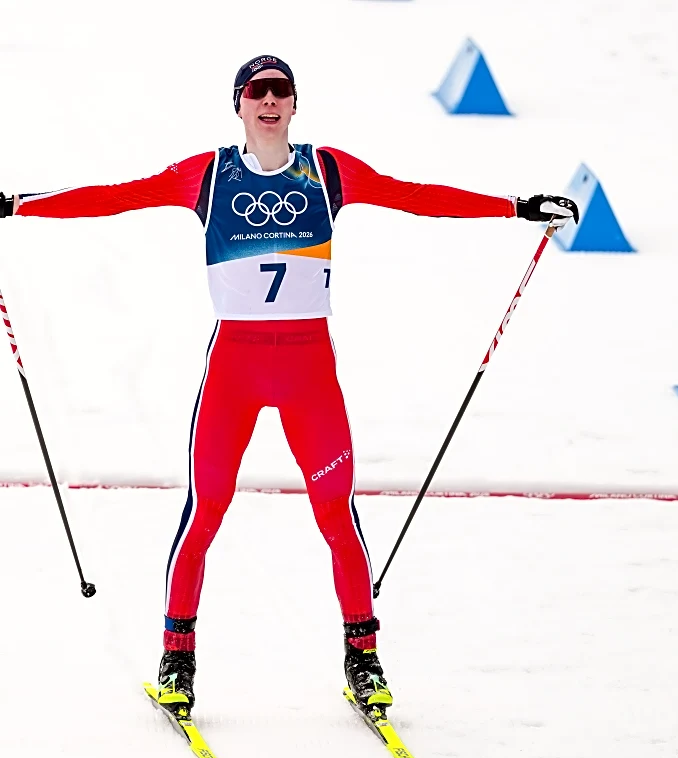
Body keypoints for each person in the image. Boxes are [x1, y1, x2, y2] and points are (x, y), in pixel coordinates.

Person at [0, 54, 578, 719]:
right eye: (257, 92)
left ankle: (363, 658)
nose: (270, 102)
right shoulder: (208, 175)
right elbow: (116, 196)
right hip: (235, 369)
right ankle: (176, 659)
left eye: (282, 91)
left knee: (337, 513)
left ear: (295, 105)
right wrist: (17, 205)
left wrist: (514, 208)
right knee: (205, 511)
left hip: (309, 370)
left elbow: (415, 196)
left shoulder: (328, 170)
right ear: (239, 105)